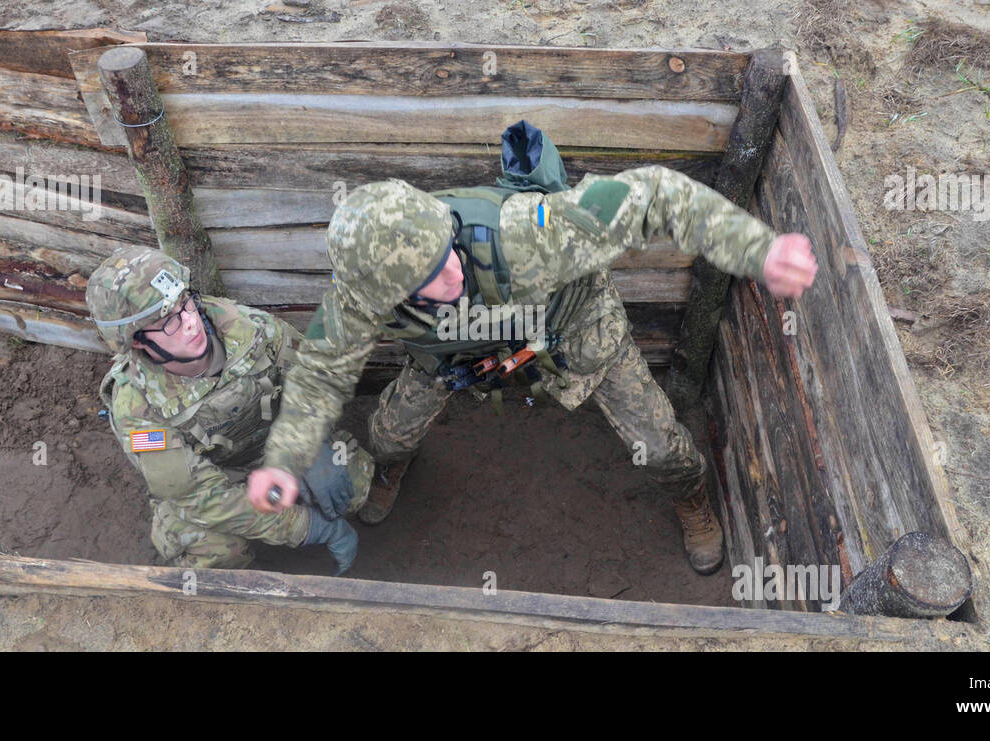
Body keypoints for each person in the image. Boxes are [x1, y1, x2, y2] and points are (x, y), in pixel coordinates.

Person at [246, 122, 817, 575]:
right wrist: (285, 461)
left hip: (573, 331)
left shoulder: (526, 234)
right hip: (456, 359)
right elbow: (318, 377)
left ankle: (690, 498)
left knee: (661, 447)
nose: (448, 274)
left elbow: (653, 195)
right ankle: (395, 471)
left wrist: (756, 250)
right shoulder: (357, 297)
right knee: (385, 435)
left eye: (444, 251)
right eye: (422, 279)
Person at [85, 245, 372, 575]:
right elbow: (200, 496)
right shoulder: (136, 409)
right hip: (214, 482)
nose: (191, 322)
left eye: (185, 302)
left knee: (353, 483)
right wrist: (306, 527)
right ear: (137, 342)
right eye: (168, 322)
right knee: (213, 555)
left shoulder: (249, 330)